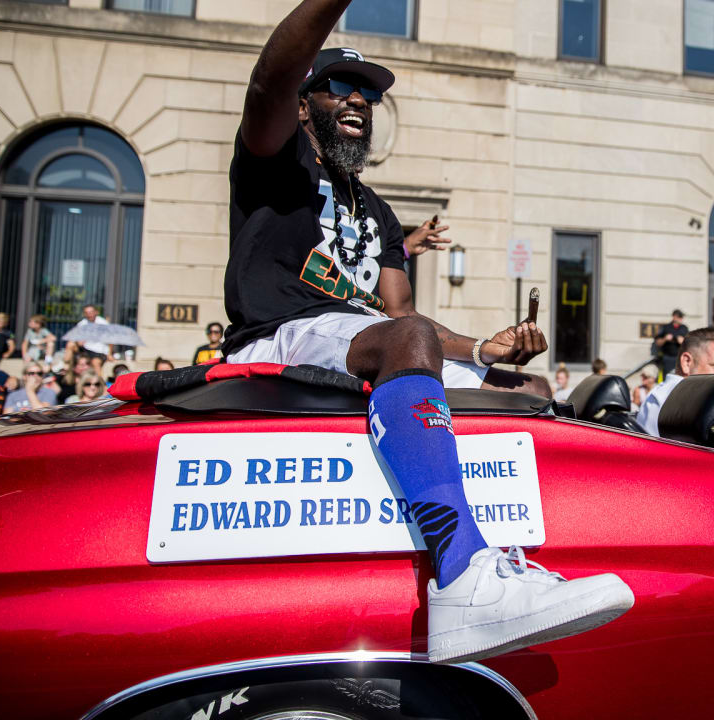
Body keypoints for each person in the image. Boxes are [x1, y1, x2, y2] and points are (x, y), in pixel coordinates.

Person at [223, 1, 631, 665]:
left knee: (522, 385)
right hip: (279, 335)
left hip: (355, 338)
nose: (359, 101)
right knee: (408, 340)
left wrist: (483, 350)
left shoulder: (376, 210)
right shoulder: (277, 160)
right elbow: (271, 79)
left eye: (370, 96)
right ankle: (461, 578)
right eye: (340, 89)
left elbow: (401, 312)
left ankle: (524, 557)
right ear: (305, 107)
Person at [70, 304, 112, 372]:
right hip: (85, 350)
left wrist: (109, 354)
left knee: (95, 362)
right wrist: (78, 342)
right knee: (70, 344)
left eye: (91, 312)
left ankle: (99, 382)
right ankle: (66, 370)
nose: (89, 314)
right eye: (87, 313)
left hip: (99, 351)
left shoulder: (103, 323)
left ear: (96, 312)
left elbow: (111, 340)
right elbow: (77, 339)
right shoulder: (82, 324)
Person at [654, 309, 688, 376]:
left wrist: (683, 341)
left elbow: (689, 343)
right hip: (667, 358)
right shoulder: (665, 328)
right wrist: (665, 339)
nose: (681, 319)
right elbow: (657, 342)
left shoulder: (684, 328)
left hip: (680, 358)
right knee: (667, 377)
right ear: (674, 317)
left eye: (681, 317)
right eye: (680, 317)